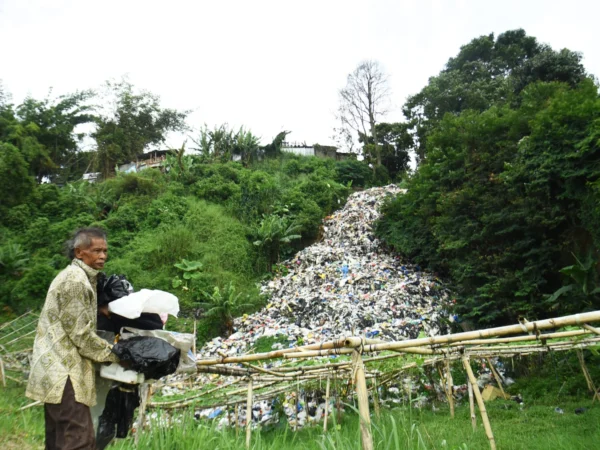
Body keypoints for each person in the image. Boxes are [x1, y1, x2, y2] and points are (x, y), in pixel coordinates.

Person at [26, 227, 121, 450]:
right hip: (63, 372)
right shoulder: (75, 282)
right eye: (96, 250)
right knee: (79, 440)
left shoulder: (80, 279)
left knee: (59, 438)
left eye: (105, 251)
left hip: (56, 370)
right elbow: (81, 335)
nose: (103, 256)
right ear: (79, 252)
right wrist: (116, 354)